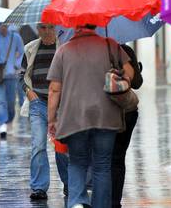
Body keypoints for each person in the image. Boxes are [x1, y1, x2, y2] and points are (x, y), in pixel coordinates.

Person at [47, 25, 134, 208]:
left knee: (77, 162)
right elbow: (130, 72)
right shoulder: (110, 45)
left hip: (74, 118)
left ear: (75, 26)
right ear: (96, 24)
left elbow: (54, 89)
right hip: (106, 117)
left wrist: (52, 119)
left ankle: (78, 202)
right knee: (102, 165)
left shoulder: (63, 50)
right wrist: (121, 79)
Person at [19, 23, 68, 200]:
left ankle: (69, 183)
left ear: (55, 28)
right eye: (42, 28)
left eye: (50, 27)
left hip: (61, 104)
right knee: (38, 144)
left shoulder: (64, 48)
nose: (46, 31)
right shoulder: (30, 48)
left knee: (61, 145)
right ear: (37, 29)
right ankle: (39, 187)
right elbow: (22, 75)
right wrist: (29, 92)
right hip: (38, 103)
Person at [111, 44, 143, 208]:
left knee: (102, 159)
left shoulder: (89, 51)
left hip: (101, 113)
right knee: (117, 158)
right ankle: (114, 202)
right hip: (127, 111)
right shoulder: (124, 51)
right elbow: (137, 82)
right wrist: (136, 69)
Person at [0, 24, 24, 138]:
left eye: (5, 25)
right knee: (1, 101)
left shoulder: (15, 37)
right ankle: (2, 124)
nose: (3, 27)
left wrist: (17, 64)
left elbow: (22, 52)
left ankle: (8, 120)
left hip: (12, 75)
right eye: (1, 25)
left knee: (11, 103)